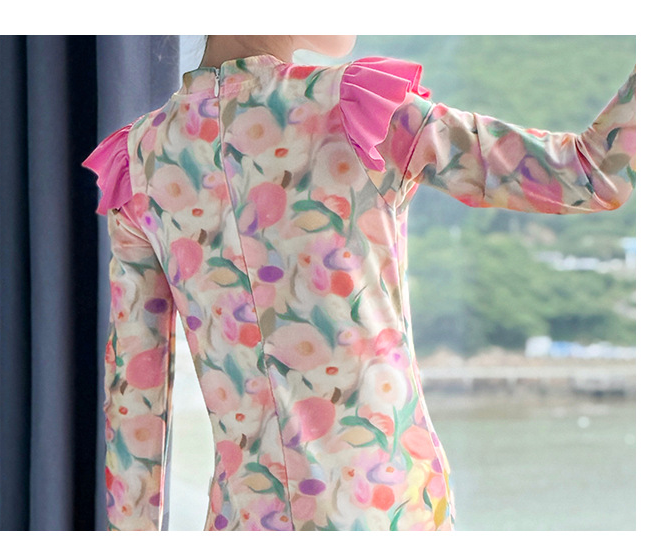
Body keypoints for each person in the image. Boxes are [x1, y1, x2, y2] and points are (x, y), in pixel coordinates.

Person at [82, 35, 636, 531]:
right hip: (385, 514)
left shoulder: (139, 161)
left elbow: (133, 412)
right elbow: (593, 174)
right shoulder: (358, 110)